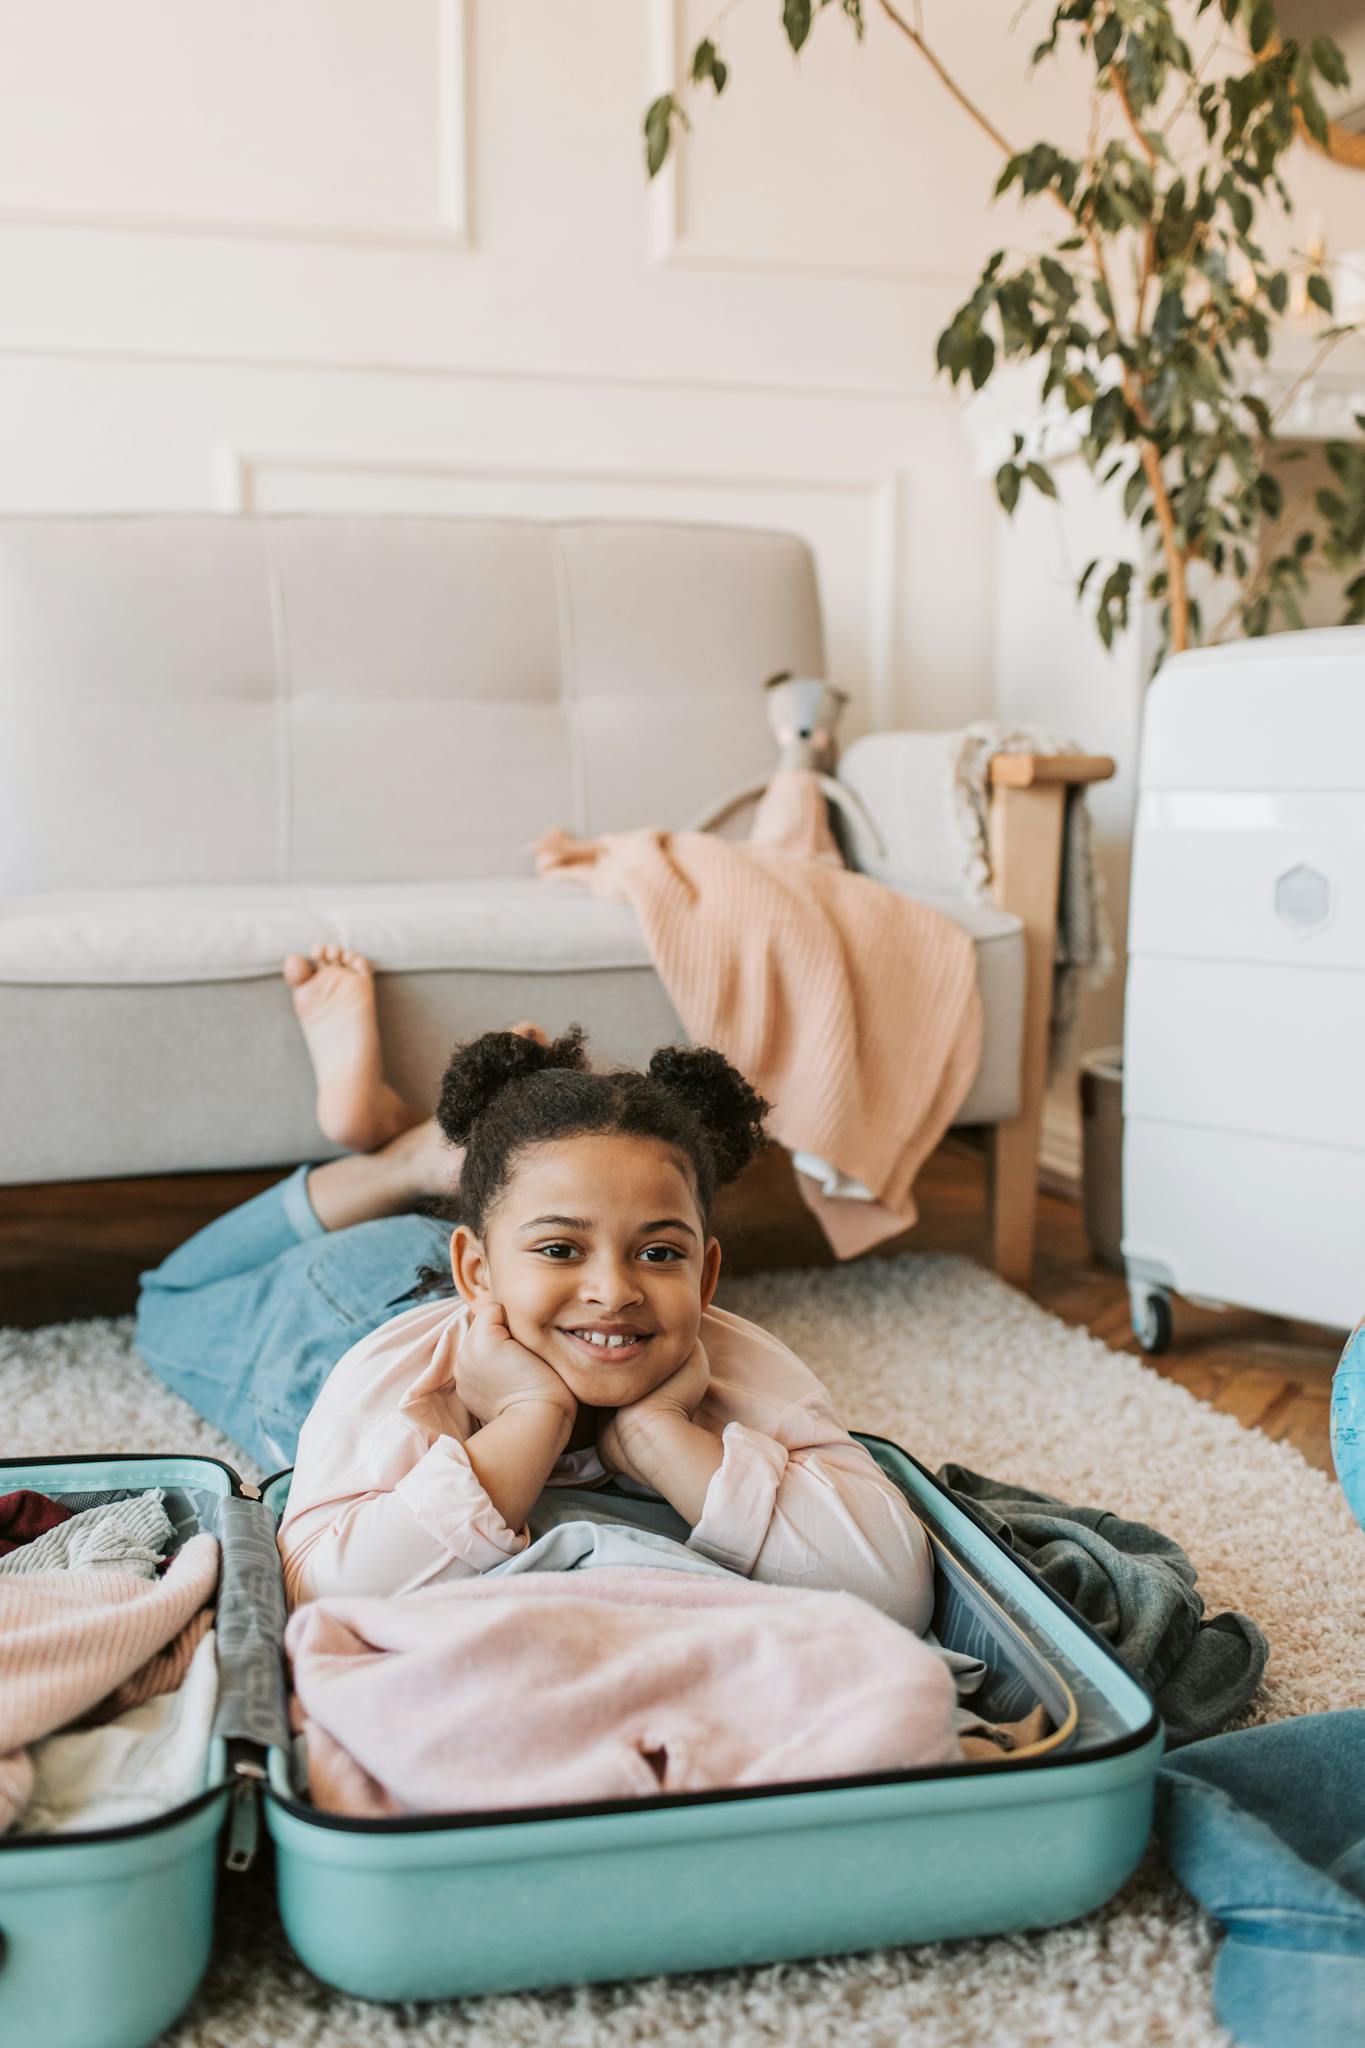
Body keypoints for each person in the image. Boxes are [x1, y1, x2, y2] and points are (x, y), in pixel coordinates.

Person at [137, 948, 934, 1628]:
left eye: (659, 1253)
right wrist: (531, 1417)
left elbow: (890, 1591)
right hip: (350, 1303)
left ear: (709, 1273)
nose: (614, 1291)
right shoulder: (379, 1379)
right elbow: (320, 1592)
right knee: (166, 1298)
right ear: (475, 1272)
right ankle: (399, 1163)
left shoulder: (742, 1363)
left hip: (501, 1278)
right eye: (564, 1247)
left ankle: (439, 1165)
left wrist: (659, 1432)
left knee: (548, 1213)